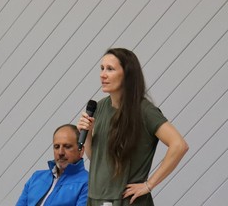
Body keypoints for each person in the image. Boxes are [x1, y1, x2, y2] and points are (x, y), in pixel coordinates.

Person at [77, 48, 189, 206]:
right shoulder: (100, 107)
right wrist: (87, 133)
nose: (103, 74)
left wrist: (148, 185)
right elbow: (97, 158)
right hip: (96, 199)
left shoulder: (144, 111)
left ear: (127, 74)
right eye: (102, 68)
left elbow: (179, 145)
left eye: (110, 69)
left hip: (126, 202)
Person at [16, 124, 89, 206]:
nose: (60, 152)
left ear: (81, 150)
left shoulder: (88, 183)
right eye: (57, 147)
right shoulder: (36, 177)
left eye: (67, 146)